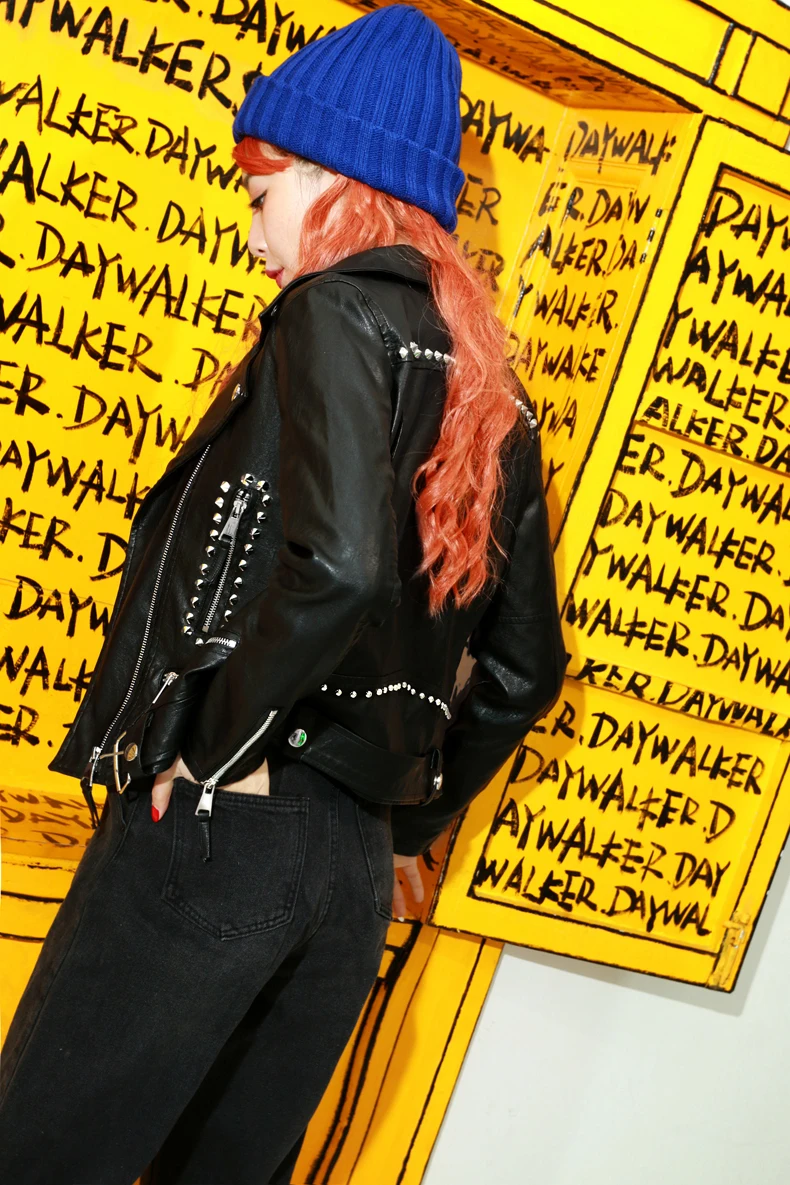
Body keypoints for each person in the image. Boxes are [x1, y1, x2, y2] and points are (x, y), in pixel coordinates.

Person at [0, 5, 566, 1183]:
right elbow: (523, 675)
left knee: (47, 1154)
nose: (254, 234)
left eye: (262, 196)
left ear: (337, 181)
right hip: (349, 867)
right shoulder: (493, 395)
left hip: (227, 822)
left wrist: (214, 749)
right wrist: (402, 830)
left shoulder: (330, 311)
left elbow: (340, 565)